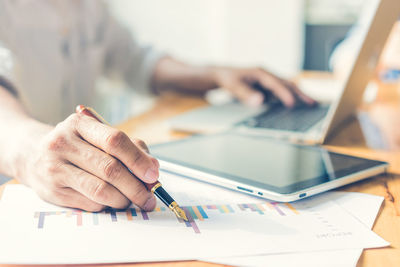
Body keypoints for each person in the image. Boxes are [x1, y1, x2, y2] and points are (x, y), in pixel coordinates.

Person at [0, 0, 314, 212]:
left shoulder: (88, 6)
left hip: (82, 188)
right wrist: (32, 153)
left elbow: (136, 60)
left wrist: (216, 75)